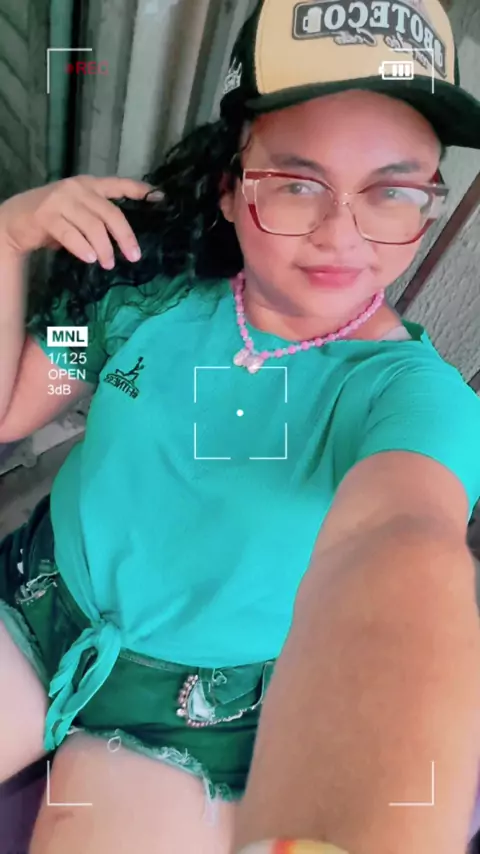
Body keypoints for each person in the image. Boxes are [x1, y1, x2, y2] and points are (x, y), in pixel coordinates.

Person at [1, 0, 480, 851]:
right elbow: (11, 407)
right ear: (230, 186)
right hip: (42, 606)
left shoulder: (408, 397)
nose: (341, 235)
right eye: (297, 183)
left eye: (392, 192)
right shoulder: (133, 301)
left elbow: (402, 540)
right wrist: (7, 239)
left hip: (198, 715)